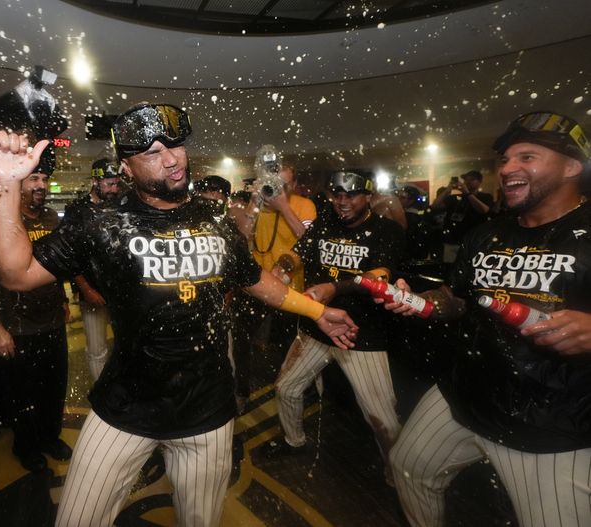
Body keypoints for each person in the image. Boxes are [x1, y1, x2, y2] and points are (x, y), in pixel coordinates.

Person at [0, 103, 357, 527]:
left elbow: (255, 279)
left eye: (174, 146)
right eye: (152, 152)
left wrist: (318, 310)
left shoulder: (215, 218)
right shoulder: (101, 221)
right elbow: (15, 274)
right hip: (126, 408)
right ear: (126, 167)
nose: (172, 160)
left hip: (207, 412)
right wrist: (7, 185)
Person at [384, 111, 591, 527]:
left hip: (550, 424)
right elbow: (456, 299)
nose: (508, 168)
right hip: (463, 394)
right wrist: (421, 303)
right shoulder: (488, 234)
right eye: (505, 159)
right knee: (408, 467)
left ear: (573, 166)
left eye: (527, 157)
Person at [263, 172, 405, 473]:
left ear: (368, 196)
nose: (342, 201)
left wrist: (334, 288)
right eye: (337, 193)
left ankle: (399, 473)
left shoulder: (385, 231)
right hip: (317, 327)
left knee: (381, 418)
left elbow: (378, 277)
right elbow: (298, 253)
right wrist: (282, 269)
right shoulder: (325, 223)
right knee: (286, 389)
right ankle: (294, 441)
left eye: (351, 194)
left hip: (361, 334)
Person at [0, 148, 72, 472]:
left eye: (44, 178)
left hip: (52, 320)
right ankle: (27, 447)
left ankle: (49, 437)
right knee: (24, 394)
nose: (41, 184)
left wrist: (63, 301)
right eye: (34, 178)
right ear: (19, 182)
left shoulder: (51, 218)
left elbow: (55, 265)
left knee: (54, 387)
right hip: (16, 324)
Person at [232, 160, 317, 407]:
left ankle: (290, 392)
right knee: (240, 340)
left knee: (286, 345)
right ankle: (241, 391)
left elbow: (309, 242)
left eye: (284, 184)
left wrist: (284, 207)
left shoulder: (304, 205)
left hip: (290, 289)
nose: (278, 189)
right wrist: (254, 202)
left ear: (295, 184)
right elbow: (241, 237)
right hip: (258, 285)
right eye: (273, 183)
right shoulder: (260, 205)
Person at [62, 157, 122, 381]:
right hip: (92, 292)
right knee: (97, 349)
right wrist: (85, 289)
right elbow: (70, 254)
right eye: (109, 184)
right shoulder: (77, 210)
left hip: (120, 291)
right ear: (96, 181)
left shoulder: (120, 206)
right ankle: (101, 392)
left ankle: (122, 392)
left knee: (124, 345)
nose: (114, 189)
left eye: (117, 183)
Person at [431, 169, 494, 271]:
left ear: (480, 182)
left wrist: (468, 194)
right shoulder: (454, 198)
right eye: (466, 180)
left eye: (472, 179)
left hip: (475, 240)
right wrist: (448, 190)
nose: (467, 182)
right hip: (453, 240)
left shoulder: (485, 196)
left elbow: (484, 210)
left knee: (472, 268)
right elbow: (435, 206)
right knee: (450, 269)